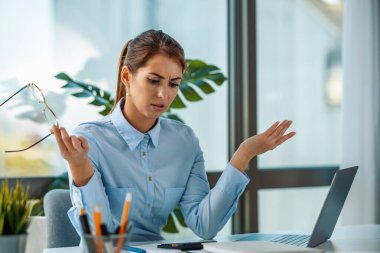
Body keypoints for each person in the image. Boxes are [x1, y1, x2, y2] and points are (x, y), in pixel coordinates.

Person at [51, 29, 296, 242]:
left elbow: (205, 225)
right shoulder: (91, 141)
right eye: (154, 81)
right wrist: (79, 165)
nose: (163, 95)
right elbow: (100, 238)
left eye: (173, 84)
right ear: (127, 76)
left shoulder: (184, 141)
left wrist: (244, 154)